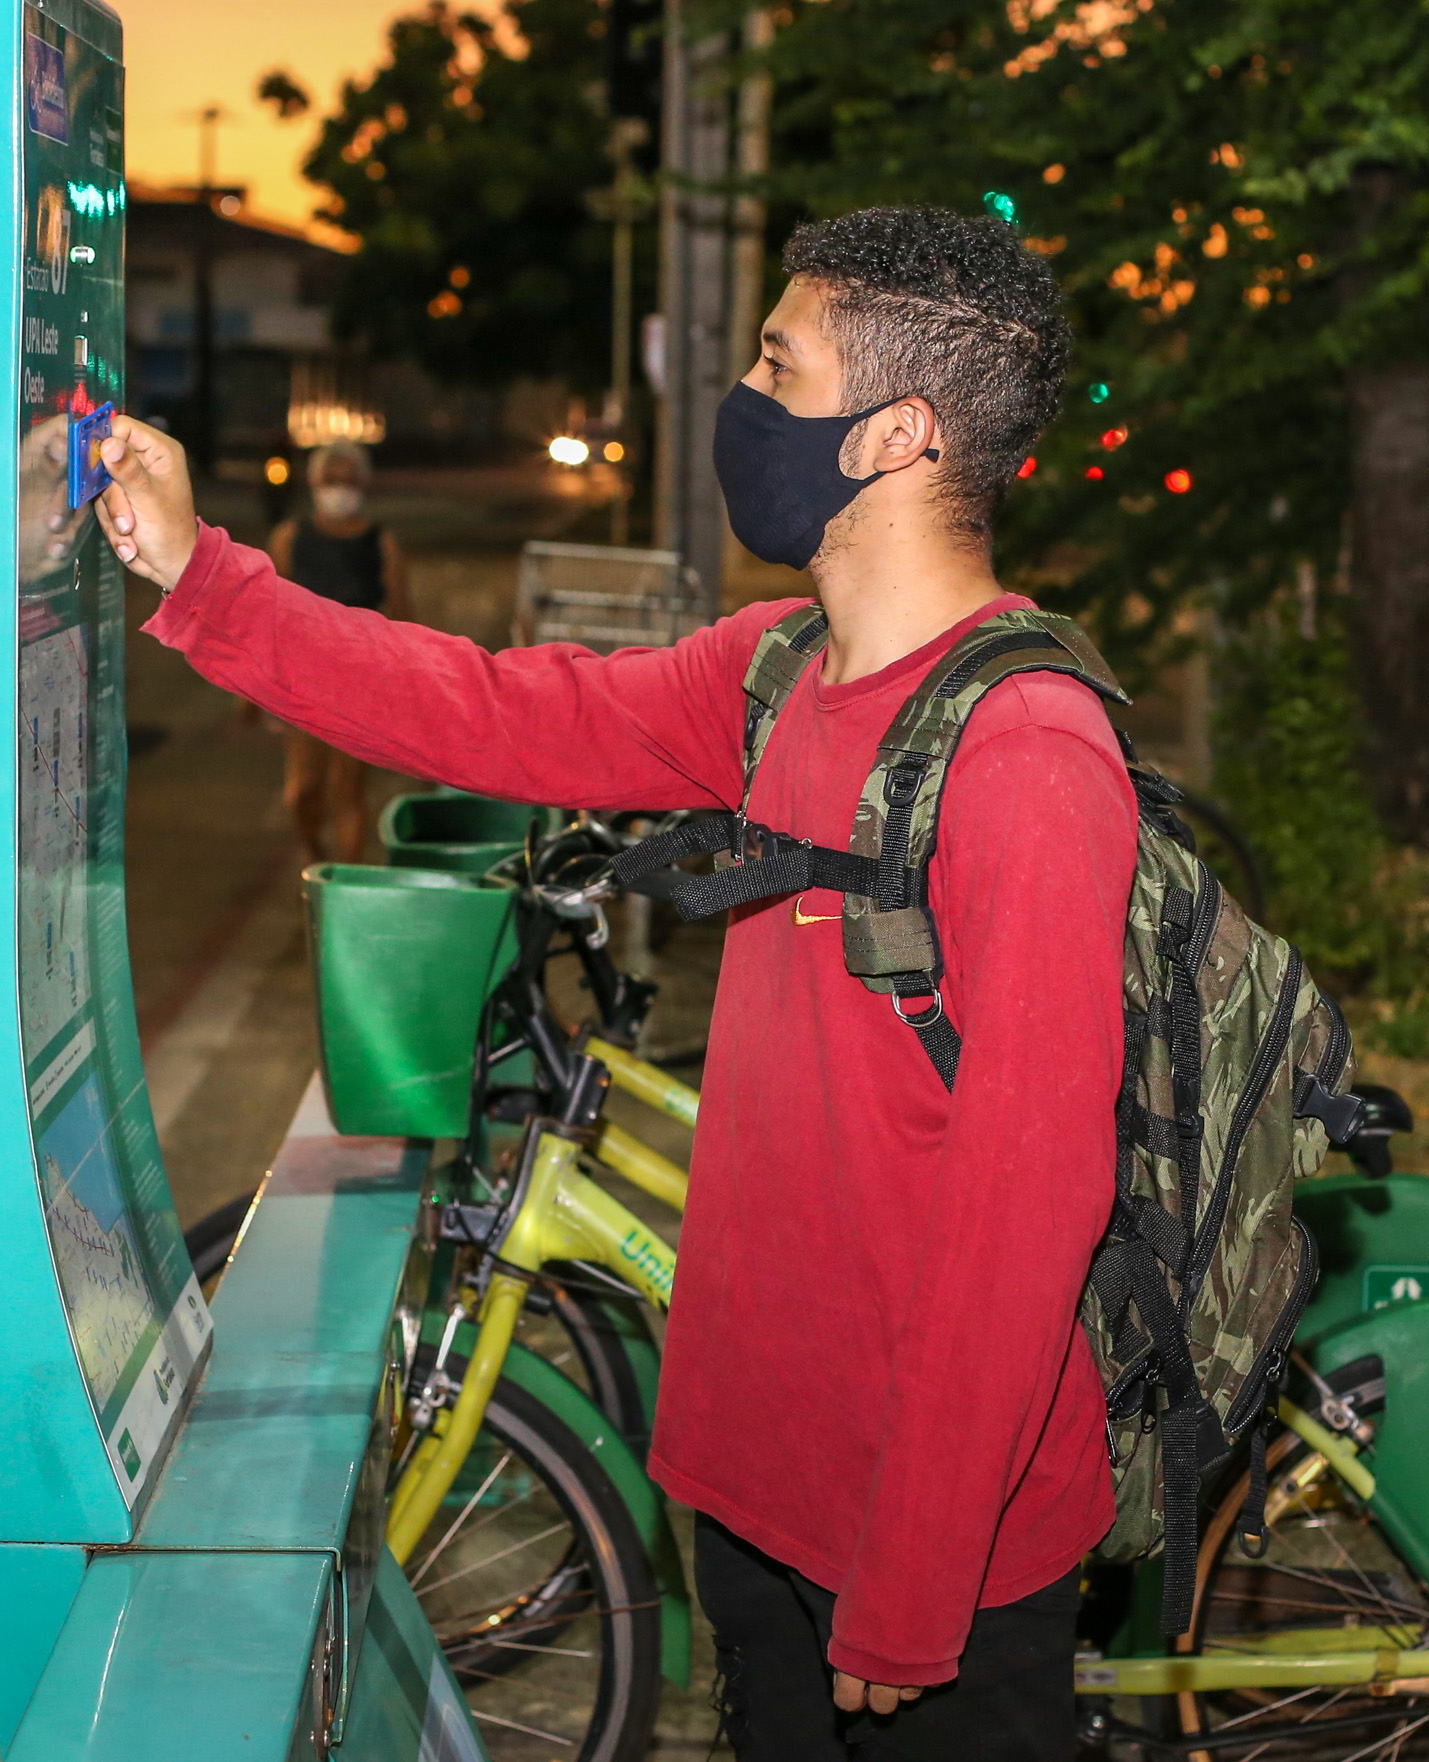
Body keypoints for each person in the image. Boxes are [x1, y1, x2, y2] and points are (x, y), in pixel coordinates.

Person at [94, 205, 1127, 1760]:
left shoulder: (1028, 754)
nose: (747, 398)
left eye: (782, 364)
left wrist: (912, 1582)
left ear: (895, 434)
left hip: (933, 1548)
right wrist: (202, 576)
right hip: (756, 1488)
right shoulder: (777, 673)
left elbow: (1025, 1218)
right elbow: (494, 711)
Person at [266, 441, 412, 863]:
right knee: (302, 790)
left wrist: (404, 683)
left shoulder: (382, 544)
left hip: (360, 678)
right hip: (303, 680)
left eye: (350, 479)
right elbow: (268, 613)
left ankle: (345, 880)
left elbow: (403, 617)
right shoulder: (290, 538)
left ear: (364, 484)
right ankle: (313, 849)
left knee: (348, 789)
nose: (340, 488)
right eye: (332, 479)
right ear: (313, 482)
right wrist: (251, 690)